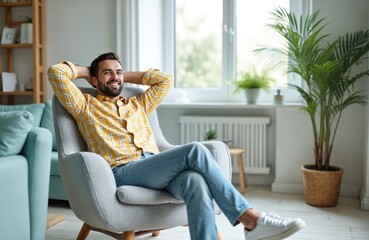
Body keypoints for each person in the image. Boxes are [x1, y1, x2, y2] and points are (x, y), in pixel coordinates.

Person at [48, 52, 306, 240]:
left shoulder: (137, 103)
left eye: (119, 71)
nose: (115, 77)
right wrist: (88, 71)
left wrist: (124, 75)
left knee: (195, 180)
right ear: (94, 80)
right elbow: (56, 73)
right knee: (195, 150)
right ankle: (250, 219)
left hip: (152, 166)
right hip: (122, 171)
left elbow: (164, 81)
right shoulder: (84, 104)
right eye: (107, 73)